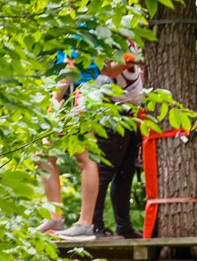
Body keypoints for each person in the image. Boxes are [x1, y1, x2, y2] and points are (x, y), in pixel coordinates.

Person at [56, 48, 144, 240]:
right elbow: (109, 70)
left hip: (132, 113)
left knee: (125, 172)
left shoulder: (128, 38)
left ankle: (124, 226)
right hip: (109, 111)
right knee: (102, 169)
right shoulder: (103, 38)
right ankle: (94, 224)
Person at [37, 51, 100, 234]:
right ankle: (55, 218)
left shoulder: (78, 27)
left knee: (85, 157)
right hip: (70, 93)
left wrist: (54, 100)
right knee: (43, 154)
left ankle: (85, 224)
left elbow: (70, 67)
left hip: (79, 93)